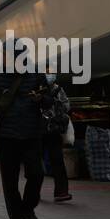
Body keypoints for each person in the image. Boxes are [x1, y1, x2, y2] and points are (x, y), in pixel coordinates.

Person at [0, 68, 53, 219]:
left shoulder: (36, 74)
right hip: (7, 136)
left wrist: (40, 99)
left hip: (32, 134)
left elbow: (49, 100)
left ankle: (28, 209)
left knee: (37, 174)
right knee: (10, 181)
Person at [44, 73, 72, 203]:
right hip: (41, 129)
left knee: (56, 160)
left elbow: (66, 106)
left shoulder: (58, 90)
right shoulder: (38, 87)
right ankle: (34, 191)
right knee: (37, 162)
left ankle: (61, 192)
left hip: (51, 130)